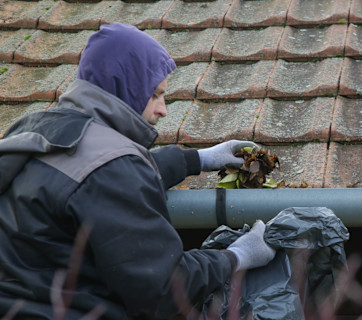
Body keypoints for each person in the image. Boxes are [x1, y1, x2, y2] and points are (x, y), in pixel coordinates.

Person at [0, 23, 276, 319]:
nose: (163, 109)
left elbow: (90, 183)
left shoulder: (34, 129)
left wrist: (197, 160)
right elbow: (162, 290)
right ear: (126, 87)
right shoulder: (112, 169)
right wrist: (236, 256)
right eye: (156, 94)